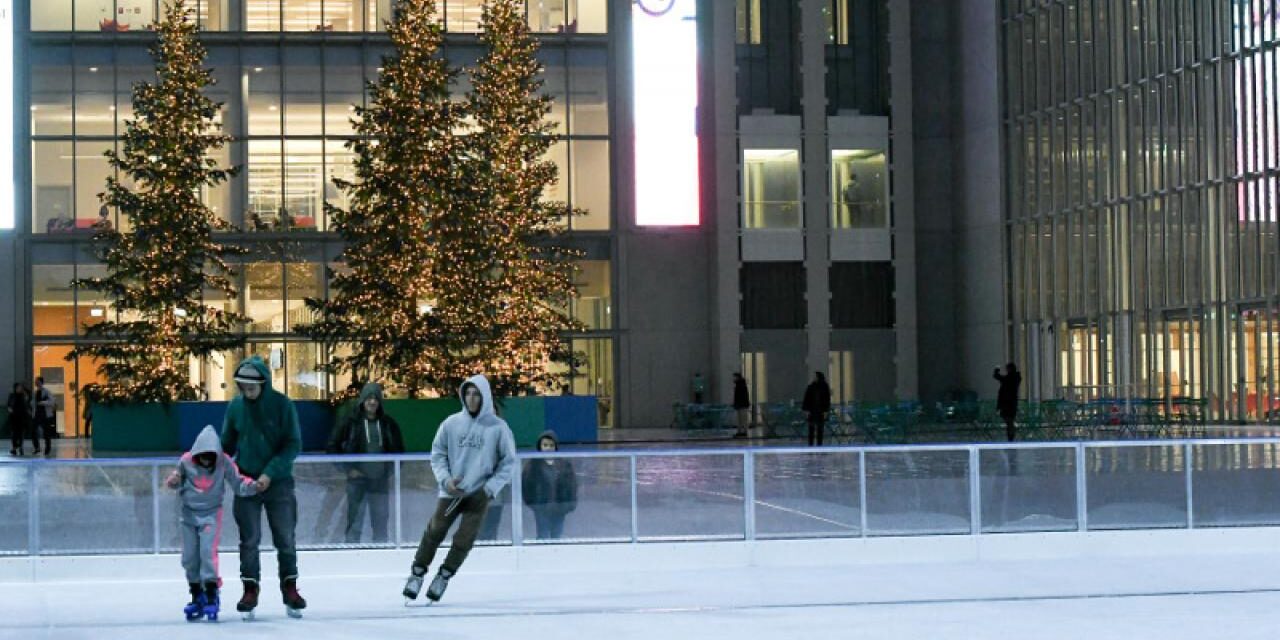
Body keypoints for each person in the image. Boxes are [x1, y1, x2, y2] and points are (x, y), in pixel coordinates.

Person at [403, 374, 516, 603]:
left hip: (479, 495)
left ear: (485, 397)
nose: (472, 398)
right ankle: (417, 573)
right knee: (435, 530)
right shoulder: (451, 424)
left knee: (465, 538)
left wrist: (489, 489)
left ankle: (444, 576)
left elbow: (509, 462)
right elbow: (438, 455)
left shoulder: (498, 428)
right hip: (451, 493)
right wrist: (446, 480)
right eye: (468, 393)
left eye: (476, 394)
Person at [220, 356, 306, 619]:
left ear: (263, 383)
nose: (248, 392)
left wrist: (270, 473)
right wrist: (211, 466)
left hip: (278, 484)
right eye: (243, 387)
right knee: (249, 540)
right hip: (246, 485)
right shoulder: (236, 407)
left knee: (285, 538)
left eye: (252, 387)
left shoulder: (282, 405)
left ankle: (290, 588)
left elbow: (292, 444)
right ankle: (250, 589)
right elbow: (226, 444)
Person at [164, 425, 261, 621]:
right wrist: (174, 481)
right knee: (189, 558)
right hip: (188, 516)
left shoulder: (224, 462)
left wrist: (254, 486)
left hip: (211, 515)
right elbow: (177, 479)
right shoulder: (186, 461)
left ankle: (211, 594)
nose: (207, 462)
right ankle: (196, 594)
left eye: (210, 458)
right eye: (203, 457)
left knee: (207, 554)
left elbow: (238, 482)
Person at [326, 383, 405, 543]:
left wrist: (389, 470)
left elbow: (399, 450)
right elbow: (332, 446)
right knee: (355, 522)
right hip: (357, 482)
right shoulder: (350, 422)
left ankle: (380, 553)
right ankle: (352, 551)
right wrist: (348, 469)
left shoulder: (388, 424)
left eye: (376, 398)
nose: (372, 402)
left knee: (381, 523)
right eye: (369, 398)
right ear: (362, 400)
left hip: (380, 481)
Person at [521, 431, 578, 540]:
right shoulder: (533, 465)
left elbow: (572, 485)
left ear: (556, 446)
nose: (548, 448)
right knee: (543, 536)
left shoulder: (564, 465)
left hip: (560, 509)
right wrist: (534, 504)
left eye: (551, 445)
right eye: (545, 445)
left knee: (557, 535)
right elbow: (526, 487)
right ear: (540, 446)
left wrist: (569, 504)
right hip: (541, 509)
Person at [802, 372, 832, 447]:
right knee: (811, 429)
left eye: (815, 376)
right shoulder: (811, 387)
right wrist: (806, 410)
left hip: (820, 411)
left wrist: (826, 410)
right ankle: (811, 445)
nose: (814, 378)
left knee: (820, 429)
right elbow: (807, 398)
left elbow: (827, 399)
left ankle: (819, 445)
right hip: (812, 411)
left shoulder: (824, 387)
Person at [994, 363, 1022, 442]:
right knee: (1010, 421)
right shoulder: (1016, 378)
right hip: (1012, 403)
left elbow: (997, 376)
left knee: (1009, 421)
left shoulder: (1009, 378)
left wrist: (997, 369)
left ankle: (1011, 436)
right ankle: (1011, 436)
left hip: (1006, 403)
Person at [32, 377, 56, 456]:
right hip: (37, 414)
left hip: (46, 415)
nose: (36, 383)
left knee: (47, 433)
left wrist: (43, 402)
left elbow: (52, 402)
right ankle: (37, 447)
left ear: (41, 382)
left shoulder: (47, 392)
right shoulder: (35, 392)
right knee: (33, 431)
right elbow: (33, 403)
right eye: (36, 382)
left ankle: (47, 449)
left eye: (38, 382)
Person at [7, 383, 31, 456]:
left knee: (21, 433)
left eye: (20, 387)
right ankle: (14, 448)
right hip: (14, 416)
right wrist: (9, 409)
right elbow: (9, 404)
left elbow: (29, 397)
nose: (19, 389)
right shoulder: (12, 395)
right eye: (18, 387)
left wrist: (24, 388)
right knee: (14, 433)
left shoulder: (24, 395)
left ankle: (20, 447)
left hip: (22, 417)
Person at [732, 373, 751, 438]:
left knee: (743, 419)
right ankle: (740, 431)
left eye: (734, 377)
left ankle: (744, 431)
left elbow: (741, 396)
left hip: (742, 405)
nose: (733, 378)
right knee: (740, 419)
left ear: (737, 377)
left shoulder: (741, 385)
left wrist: (737, 403)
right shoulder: (739, 385)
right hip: (741, 404)